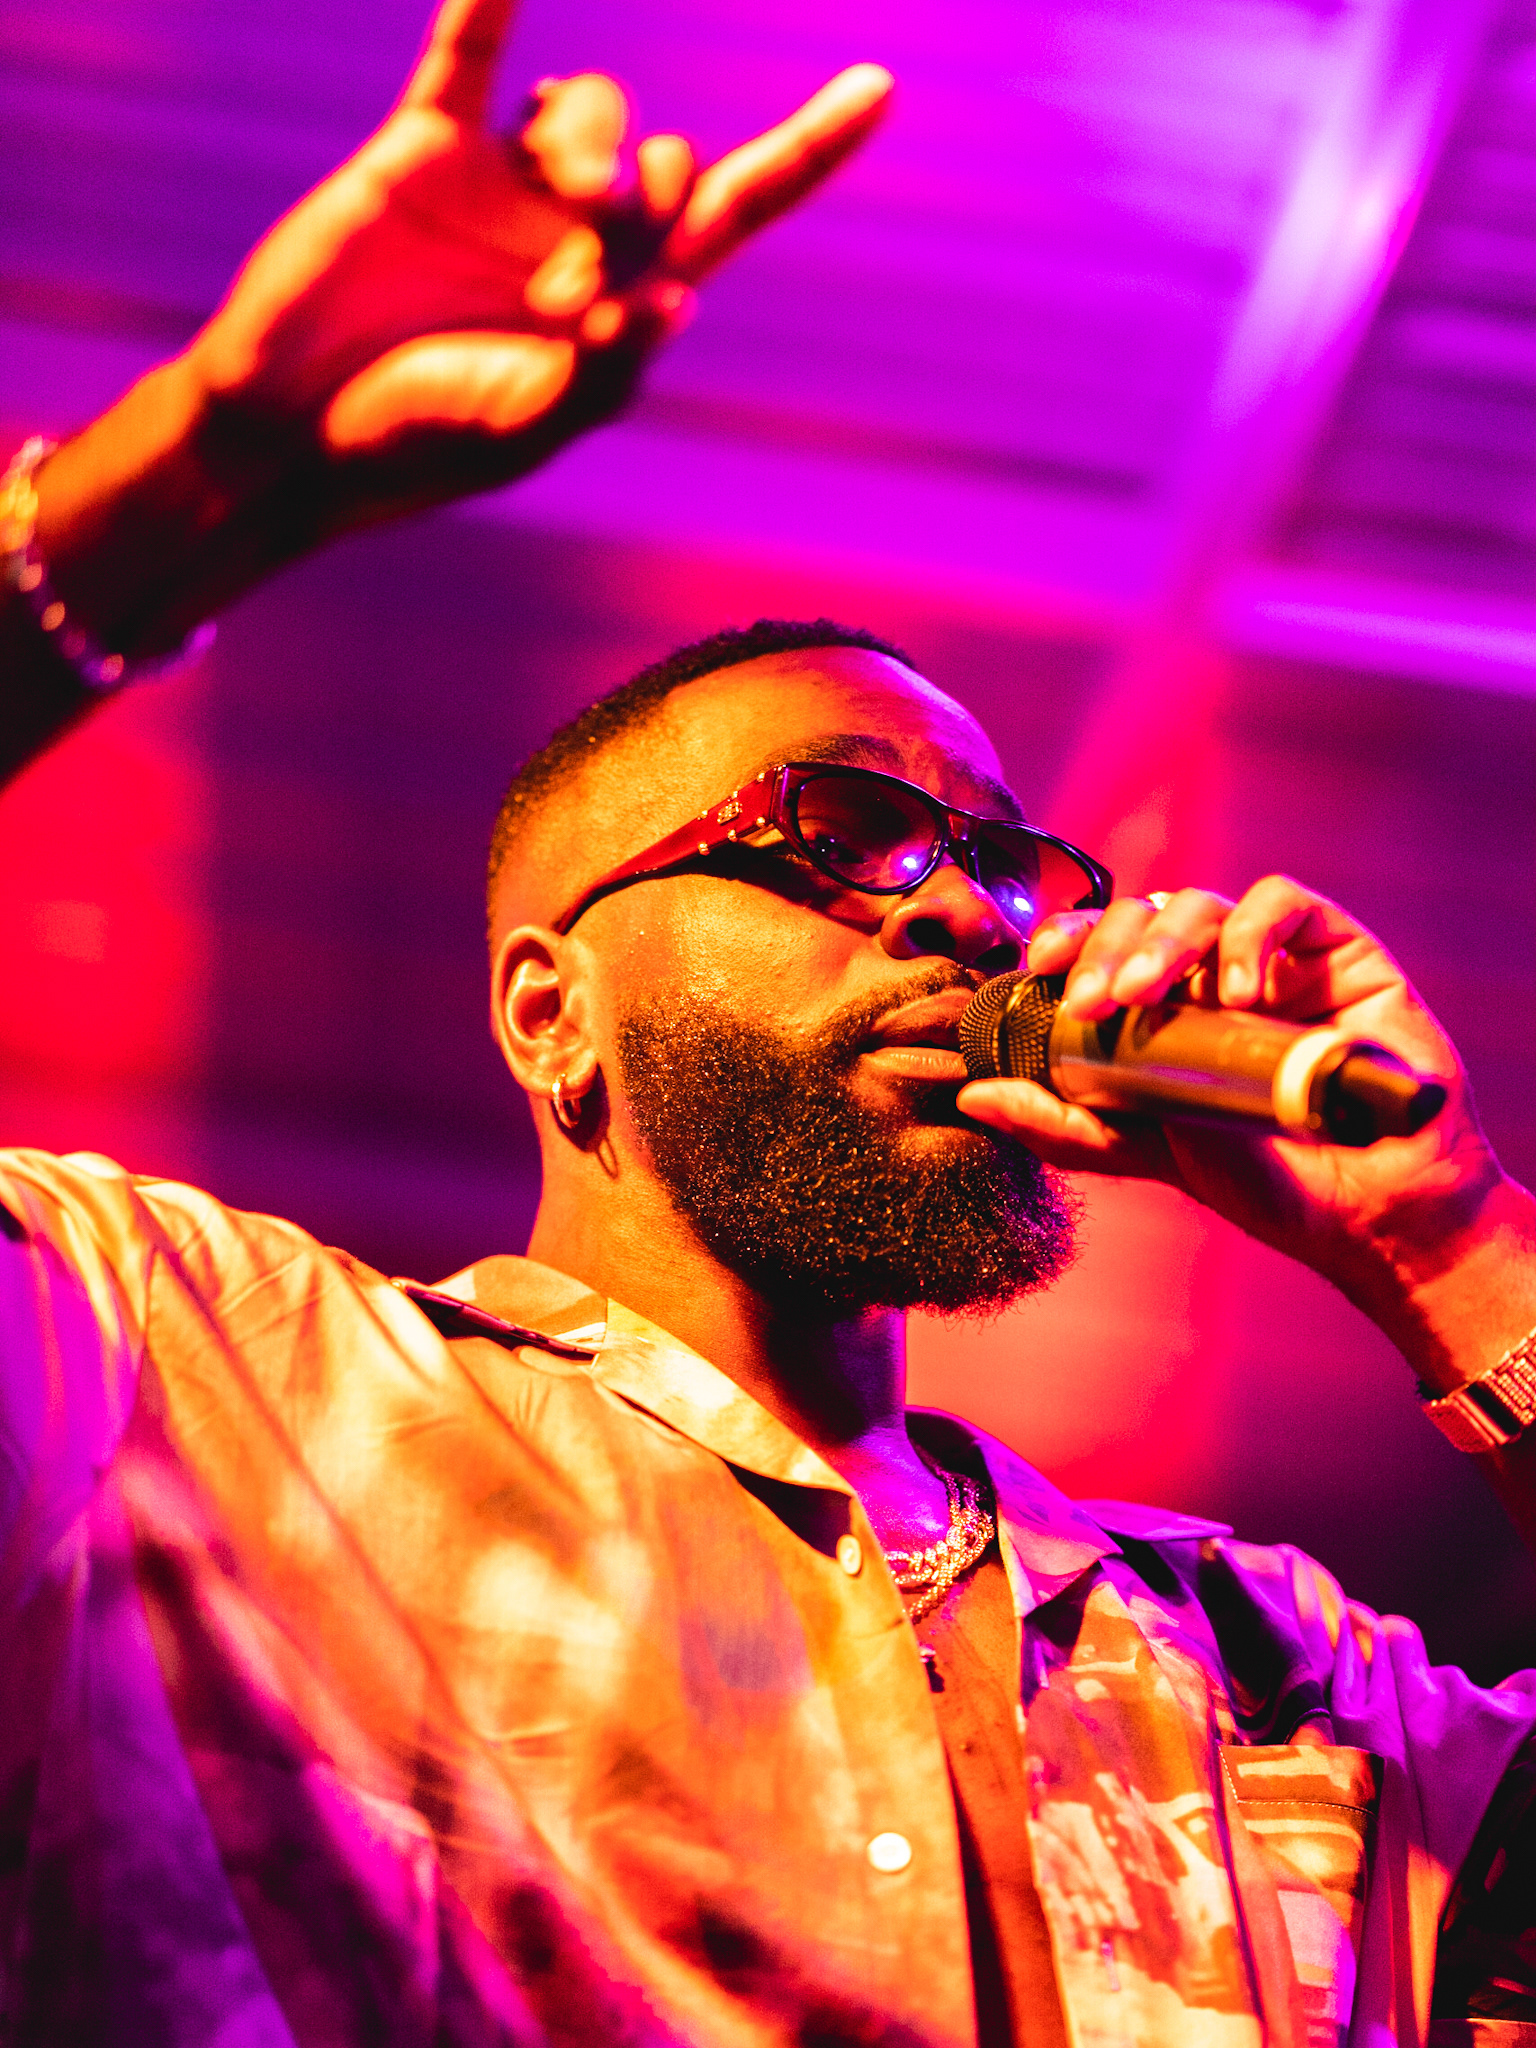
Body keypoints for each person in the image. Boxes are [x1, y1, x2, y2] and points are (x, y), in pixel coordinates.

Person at [2, 2, 1534, 2042]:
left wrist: (1456, 1246)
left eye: (1006, 866)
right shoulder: (171, 1380)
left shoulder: (1273, 1668)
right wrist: (210, 472)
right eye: (847, 829)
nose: (965, 914)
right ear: (550, 1011)